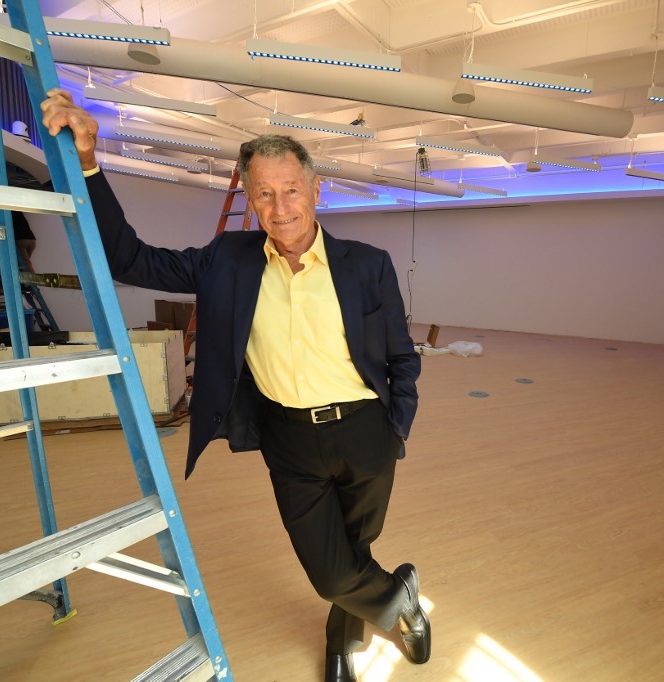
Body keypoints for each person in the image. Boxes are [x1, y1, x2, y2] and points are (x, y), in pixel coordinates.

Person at [41, 89, 429, 682]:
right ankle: (402, 600)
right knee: (330, 570)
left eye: (291, 190)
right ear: (250, 199)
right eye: (265, 194)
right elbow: (128, 259)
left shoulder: (368, 263)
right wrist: (90, 163)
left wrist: (396, 422)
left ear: (315, 190)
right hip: (290, 440)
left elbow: (402, 356)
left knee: (354, 549)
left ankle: (340, 640)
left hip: (366, 433)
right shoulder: (227, 258)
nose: (280, 207)